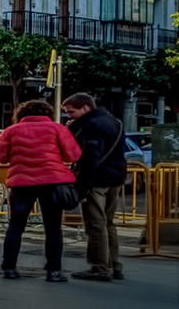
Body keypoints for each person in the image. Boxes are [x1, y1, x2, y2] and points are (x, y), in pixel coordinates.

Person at [0, 98, 81, 282]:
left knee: (16, 226)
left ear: (21, 114)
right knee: (53, 227)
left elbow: (0, 158)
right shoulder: (58, 129)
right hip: (52, 182)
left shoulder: (10, 131)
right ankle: (54, 271)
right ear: (48, 113)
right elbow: (73, 155)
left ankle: (9, 268)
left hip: (21, 183)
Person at [63, 92, 128, 282]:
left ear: (85, 108)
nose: (69, 116)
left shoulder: (93, 126)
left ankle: (100, 267)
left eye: (71, 112)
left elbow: (91, 158)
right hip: (116, 178)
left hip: (97, 179)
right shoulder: (115, 122)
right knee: (108, 223)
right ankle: (114, 265)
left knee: (95, 224)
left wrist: (81, 188)